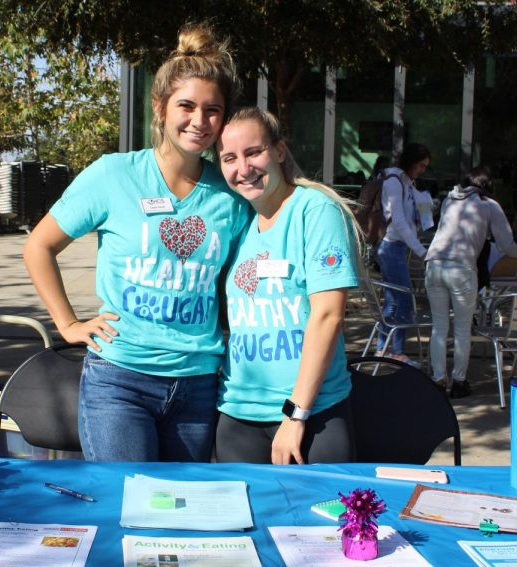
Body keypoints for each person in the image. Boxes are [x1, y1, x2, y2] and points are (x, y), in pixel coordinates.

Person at [22, 24, 250, 462]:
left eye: (213, 110)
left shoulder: (230, 195)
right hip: (119, 382)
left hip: (199, 384)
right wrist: (68, 325)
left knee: (180, 515)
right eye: (186, 105)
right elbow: (39, 246)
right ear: (160, 107)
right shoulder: (113, 175)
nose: (199, 121)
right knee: (123, 507)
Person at [214, 108, 361, 464]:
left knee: (324, 519)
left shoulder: (316, 211)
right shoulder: (240, 224)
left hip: (311, 417)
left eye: (254, 152)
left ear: (279, 151)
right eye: (229, 158)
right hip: (238, 417)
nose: (243, 169)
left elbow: (328, 316)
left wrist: (296, 414)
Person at [424, 166, 517, 398]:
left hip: (434, 263)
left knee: (439, 327)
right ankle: (458, 381)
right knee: (461, 329)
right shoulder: (489, 205)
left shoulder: (449, 200)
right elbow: (506, 244)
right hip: (461, 267)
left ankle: (438, 380)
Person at [374, 143, 432, 366]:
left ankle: (383, 348)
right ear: (410, 162)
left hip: (394, 247)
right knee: (404, 299)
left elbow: (409, 214)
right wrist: (420, 250)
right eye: (421, 165)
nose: (423, 170)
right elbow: (398, 221)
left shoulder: (405, 182)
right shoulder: (394, 182)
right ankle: (396, 351)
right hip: (390, 246)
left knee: (393, 301)